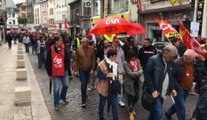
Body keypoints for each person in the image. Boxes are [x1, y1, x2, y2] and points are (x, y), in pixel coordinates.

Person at [144, 45, 177, 120]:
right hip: (156, 92)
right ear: (165, 53)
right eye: (171, 56)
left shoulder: (170, 62)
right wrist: (152, 90)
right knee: (159, 114)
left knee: (154, 112)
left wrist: (172, 88)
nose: (172, 59)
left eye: (173, 57)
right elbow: (147, 76)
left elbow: (171, 76)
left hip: (163, 92)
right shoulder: (153, 60)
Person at [165, 49, 197, 120]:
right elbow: (171, 77)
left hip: (187, 88)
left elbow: (192, 72)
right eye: (191, 59)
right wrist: (176, 87)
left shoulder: (191, 62)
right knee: (181, 107)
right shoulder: (176, 63)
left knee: (178, 104)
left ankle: (169, 113)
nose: (192, 61)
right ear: (185, 56)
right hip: (179, 88)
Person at [45, 35, 70, 111]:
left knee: (65, 85)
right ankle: (56, 104)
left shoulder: (64, 48)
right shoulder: (50, 49)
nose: (62, 42)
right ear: (56, 41)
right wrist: (50, 74)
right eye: (60, 40)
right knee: (56, 89)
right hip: (55, 73)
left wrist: (65, 69)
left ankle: (62, 97)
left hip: (63, 71)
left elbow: (67, 59)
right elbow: (47, 63)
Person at [96, 49, 119, 120]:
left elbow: (116, 74)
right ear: (110, 56)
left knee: (114, 104)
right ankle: (101, 116)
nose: (116, 58)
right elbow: (98, 75)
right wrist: (106, 75)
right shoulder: (101, 64)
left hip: (113, 87)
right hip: (104, 87)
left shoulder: (115, 63)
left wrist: (118, 76)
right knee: (102, 103)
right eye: (115, 56)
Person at [73, 37, 96, 108]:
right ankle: (83, 100)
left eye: (86, 42)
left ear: (88, 42)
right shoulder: (78, 49)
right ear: (82, 43)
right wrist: (76, 69)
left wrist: (92, 68)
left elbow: (93, 59)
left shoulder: (91, 49)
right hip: (82, 69)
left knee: (86, 83)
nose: (85, 43)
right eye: (83, 42)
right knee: (83, 83)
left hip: (89, 69)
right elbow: (75, 59)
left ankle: (85, 94)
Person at [124, 50, 143, 120]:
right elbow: (130, 73)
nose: (134, 58)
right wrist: (139, 72)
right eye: (132, 57)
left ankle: (130, 106)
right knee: (130, 96)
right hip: (129, 82)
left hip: (136, 81)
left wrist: (138, 72)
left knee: (137, 96)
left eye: (134, 56)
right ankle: (131, 112)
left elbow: (140, 68)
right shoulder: (125, 63)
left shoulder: (137, 60)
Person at [110, 37, 125, 107]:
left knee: (120, 84)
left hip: (120, 71)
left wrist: (123, 69)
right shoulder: (109, 50)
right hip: (112, 71)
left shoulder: (121, 50)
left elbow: (123, 60)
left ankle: (120, 100)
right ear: (113, 42)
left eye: (117, 42)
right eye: (115, 42)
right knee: (111, 84)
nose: (116, 43)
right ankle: (111, 98)